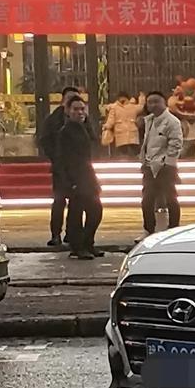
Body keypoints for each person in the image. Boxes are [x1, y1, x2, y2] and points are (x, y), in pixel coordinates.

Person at [56, 91, 103, 260]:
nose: (80, 112)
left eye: (82, 109)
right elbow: (62, 158)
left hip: (87, 174)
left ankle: (88, 242)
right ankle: (78, 246)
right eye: (76, 109)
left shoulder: (85, 128)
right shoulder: (65, 131)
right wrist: (68, 181)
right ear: (68, 110)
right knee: (76, 213)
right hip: (75, 177)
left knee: (95, 210)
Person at [39, 85, 81, 251]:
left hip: (78, 168)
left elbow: (91, 138)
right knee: (59, 200)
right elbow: (45, 139)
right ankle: (55, 234)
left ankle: (72, 233)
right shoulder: (54, 119)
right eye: (70, 98)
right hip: (60, 167)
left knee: (77, 202)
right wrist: (55, 157)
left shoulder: (81, 118)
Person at [141, 90, 184, 235]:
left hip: (165, 167)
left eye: (156, 101)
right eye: (150, 102)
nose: (153, 105)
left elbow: (176, 143)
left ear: (164, 103)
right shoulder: (149, 120)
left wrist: (168, 162)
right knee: (147, 200)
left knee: (170, 198)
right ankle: (148, 230)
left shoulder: (172, 121)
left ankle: (173, 229)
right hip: (149, 165)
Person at [101, 91, 143, 159]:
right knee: (131, 151)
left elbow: (111, 120)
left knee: (128, 151)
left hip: (124, 132)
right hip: (127, 132)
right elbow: (141, 107)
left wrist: (106, 126)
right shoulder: (131, 107)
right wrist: (142, 98)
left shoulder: (115, 107)